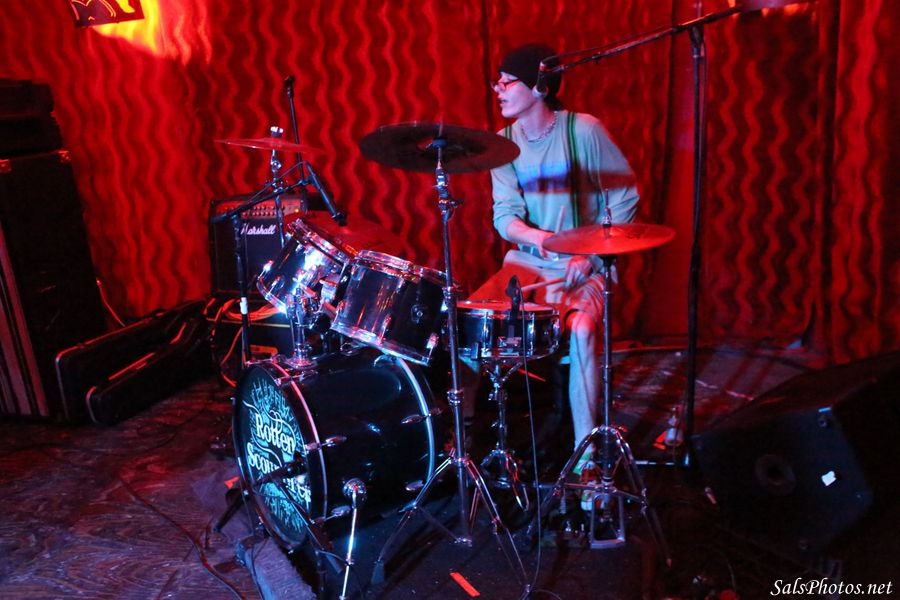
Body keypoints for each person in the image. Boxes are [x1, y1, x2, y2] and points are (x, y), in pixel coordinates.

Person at [465, 43, 639, 488]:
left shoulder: (585, 131)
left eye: (508, 82)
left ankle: (587, 457)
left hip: (586, 265)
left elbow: (624, 198)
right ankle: (464, 447)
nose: (498, 89)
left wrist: (592, 254)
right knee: (467, 327)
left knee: (581, 329)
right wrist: (543, 240)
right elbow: (505, 215)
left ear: (540, 87)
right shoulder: (503, 144)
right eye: (498, 81)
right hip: (529, 263)